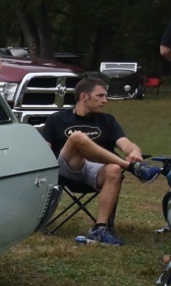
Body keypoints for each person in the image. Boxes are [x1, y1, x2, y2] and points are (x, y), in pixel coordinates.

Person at [40, 76, 159, 245]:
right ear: (83, 96)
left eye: (106, 96)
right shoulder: (57, 119)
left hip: (95, 173)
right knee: (77, 138)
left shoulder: (107, 120)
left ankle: (100, 228)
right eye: (100, 96)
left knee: (114, 170)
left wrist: (135, 152)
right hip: (66, 170)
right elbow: (44, 149)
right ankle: (133, 168)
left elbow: (126, 144)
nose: (106, 100)